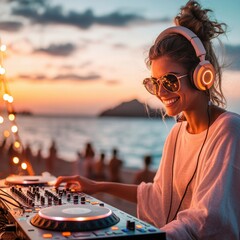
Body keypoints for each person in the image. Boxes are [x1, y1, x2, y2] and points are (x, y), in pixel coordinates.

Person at [55, 1, 240, 239]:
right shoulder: (176, 135)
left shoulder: (228, 130)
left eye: (170, 80)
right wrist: (97, 185)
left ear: (201, 75)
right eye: (154, 83)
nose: (161, 92)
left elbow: (207, 219)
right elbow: (159, 196)